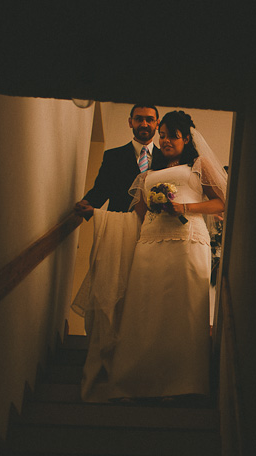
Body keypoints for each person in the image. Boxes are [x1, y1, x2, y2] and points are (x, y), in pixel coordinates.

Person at [73, 111, 227, 404]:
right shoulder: (146, 175)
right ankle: (138, 381)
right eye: (163, 135)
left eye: (172, 136)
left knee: (183, 309)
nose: (165, 140)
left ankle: (184, 383)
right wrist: (99, 214)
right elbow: (138, 216)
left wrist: (184, 208)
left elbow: (221, 202)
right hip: (149, 243)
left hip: (187, 241)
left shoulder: (199, 165)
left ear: (186, 138)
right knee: (145, 309)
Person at [74, 104, 164, 219]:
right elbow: (101, 189)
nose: (144, 124)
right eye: (139, 119)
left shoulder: (165, 159)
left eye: (149, 119)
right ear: (130, 122)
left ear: (157, 124)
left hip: (156, 224)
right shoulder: (113, 156)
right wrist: (86, 203)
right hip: (119, 223)